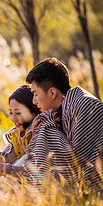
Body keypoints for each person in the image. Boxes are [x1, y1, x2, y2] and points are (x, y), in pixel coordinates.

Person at [25, 57, 103, 190]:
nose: (33, 101)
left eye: (35, 94)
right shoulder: (62, 111)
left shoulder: (85, 106)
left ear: (52, 92)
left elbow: (77, 160)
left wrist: (48, 126)